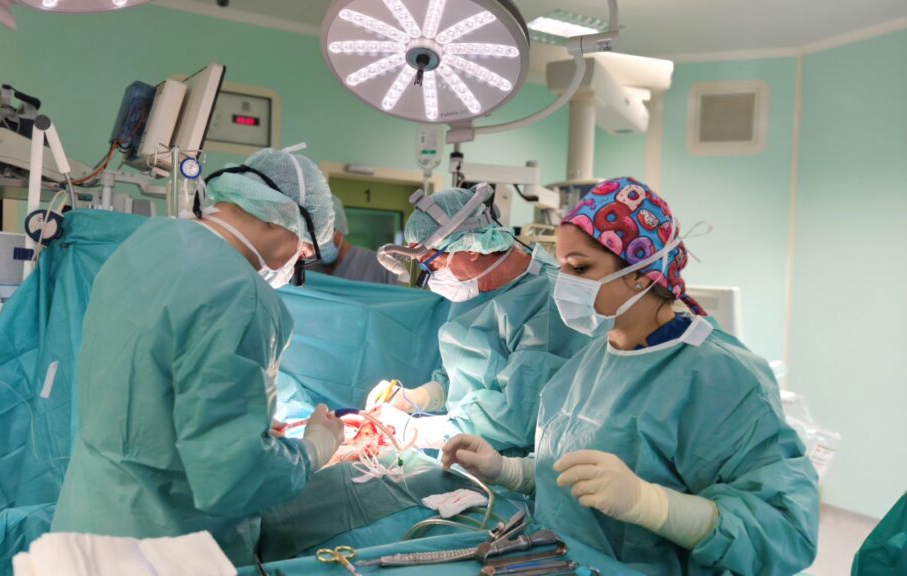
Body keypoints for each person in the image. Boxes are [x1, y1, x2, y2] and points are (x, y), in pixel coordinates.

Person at [441, 177, 819, 575]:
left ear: (642, 271)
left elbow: (786, 530)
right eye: (561, 264)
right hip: (559, 560)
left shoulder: (721, 377)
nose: (562, 282)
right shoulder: (593, 357)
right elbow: (573, 471)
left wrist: (651, 504)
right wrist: (507, 470)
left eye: (580, 267)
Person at [51, 148, 345, 566]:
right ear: (282, 218)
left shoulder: (145, 246)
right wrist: (315, 447)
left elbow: (146, 389)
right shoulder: (243, 295)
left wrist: (242, 425)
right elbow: (233, 476)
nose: (297, 262)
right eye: (304, 252)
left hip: (88, 518)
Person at [367, 186, 590, 452]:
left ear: (471, 247)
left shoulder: (547, 304)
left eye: (433, 262)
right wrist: (415, 398)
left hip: (511, 468)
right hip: (464, 457)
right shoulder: (471, 288)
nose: (432, 274)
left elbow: (519, 418)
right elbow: (463, 379)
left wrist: (412, 431)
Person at [310, 196, 401, 285]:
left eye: (325, 233)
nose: (318, 241)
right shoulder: (306, 270)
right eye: (310, 236)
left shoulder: (382, 268)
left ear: (340, 229)